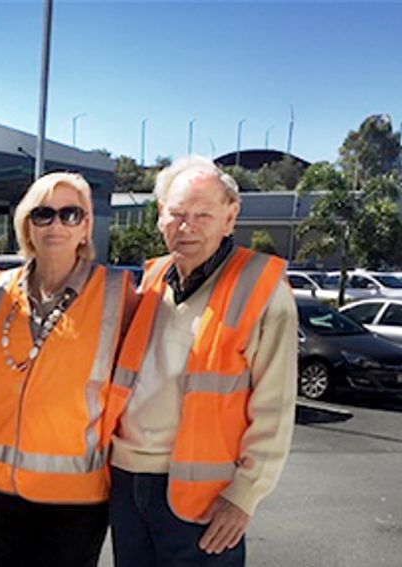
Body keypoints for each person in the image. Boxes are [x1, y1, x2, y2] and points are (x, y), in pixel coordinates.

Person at [105, 156, 298, 566]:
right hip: (125, 481)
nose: (187, 226)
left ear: (230, 218)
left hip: (203, 498)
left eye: (203, 215)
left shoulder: (262, 287)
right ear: (161, 216)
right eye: (177, 214)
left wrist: (245, 495)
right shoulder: (153, 278)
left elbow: (276, 404)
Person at [0, 172, 137, 567]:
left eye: (70, 214)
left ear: (86, 226)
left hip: (75, 497)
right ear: (26, 224)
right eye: (43, 214)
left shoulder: (118, 292)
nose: (56, 225)